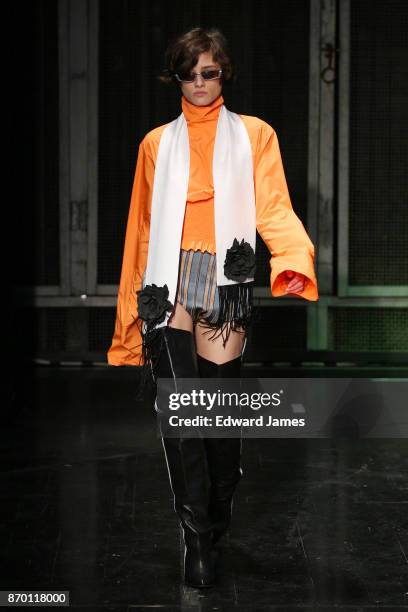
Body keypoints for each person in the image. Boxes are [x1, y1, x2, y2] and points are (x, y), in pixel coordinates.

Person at [107, 27, 318, 588]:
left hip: (226, 279)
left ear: (223, 74)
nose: (200, 83)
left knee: (219, 419)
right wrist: (130, 320)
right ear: (175, 78)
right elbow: (141, 231)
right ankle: (196, 536)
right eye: (189, 73)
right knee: (181, 413)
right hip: (170, 279)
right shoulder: (157, 144)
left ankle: (218, 507)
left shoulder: (254, 135)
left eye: (210, 72)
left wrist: (292, 258)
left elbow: (273, 205)